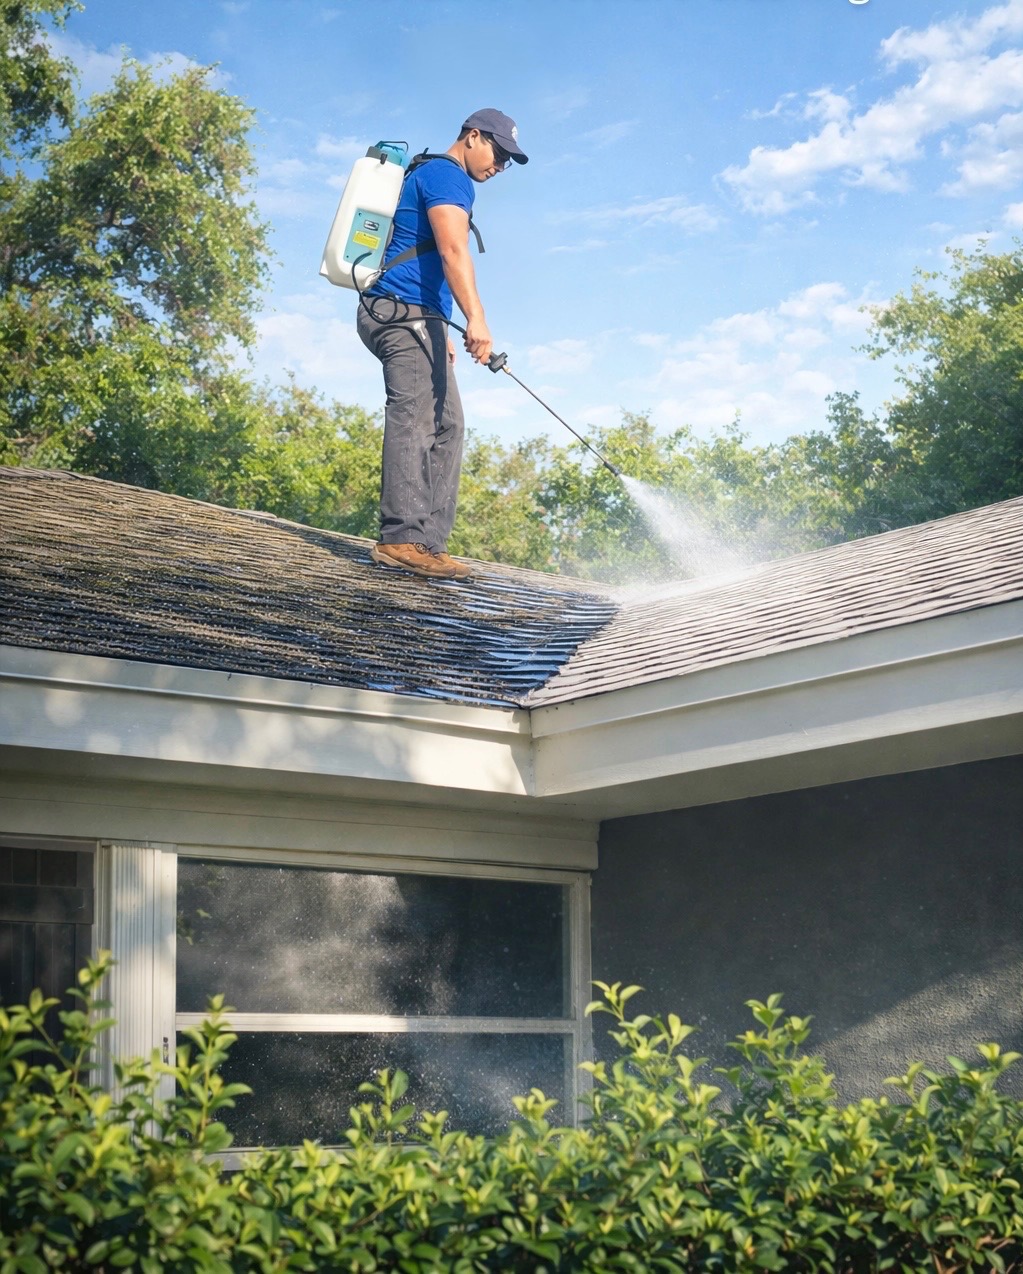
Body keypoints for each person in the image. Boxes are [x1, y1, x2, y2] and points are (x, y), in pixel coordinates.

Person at [357, 108, 528, 580]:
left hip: (415, 316)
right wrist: (477, 319)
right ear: (473, 137)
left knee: (448, 423)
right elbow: (453, 250)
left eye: (509, 161)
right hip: (399, 310)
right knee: (417, 418)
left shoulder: (434, 174)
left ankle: (428, 543)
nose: (500, 166)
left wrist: (440, 328)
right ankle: (402, 538)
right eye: (499, 153)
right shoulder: (449, 177)